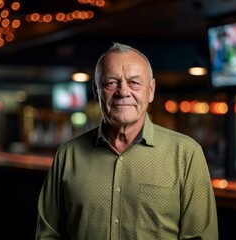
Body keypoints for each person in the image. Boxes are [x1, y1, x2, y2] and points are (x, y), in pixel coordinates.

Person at [36, 42, 218, 239]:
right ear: (97, 91)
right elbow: (48, 235)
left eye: (134, 83)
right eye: (111, 83)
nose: (123, 92)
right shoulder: (68, 155)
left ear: (151, 91)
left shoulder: (186, 154)